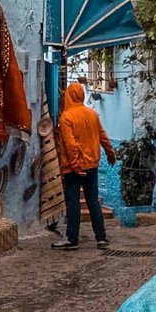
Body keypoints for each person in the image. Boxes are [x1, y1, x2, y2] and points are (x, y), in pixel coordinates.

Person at [53, 82, 117, 250]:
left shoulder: (66, 117)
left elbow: (70, 144)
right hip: (92, 165)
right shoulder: (92, 114)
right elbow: (102, 136)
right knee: (93, 201)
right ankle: (101, 237)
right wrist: (110, 154)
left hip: (74, 169)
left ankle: (72, 239)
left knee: (73, 202)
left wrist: (75, 165)